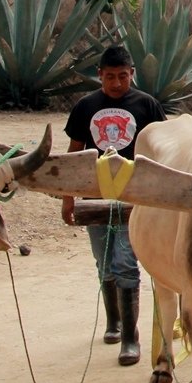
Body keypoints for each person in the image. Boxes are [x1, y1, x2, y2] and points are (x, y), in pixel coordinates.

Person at [61, 45, 165, 365]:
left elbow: (162, 151)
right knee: (103, 261)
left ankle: (131, 340)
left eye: (123, 76)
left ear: (132, 74)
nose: (117, 83)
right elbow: (74, 155)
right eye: (110, 77)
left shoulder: (147, 106)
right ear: (100, 76)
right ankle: (114, 321)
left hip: (134, 201)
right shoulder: (85, 107)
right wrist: (69, 198)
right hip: (95, 200)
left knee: (125, 262)